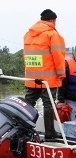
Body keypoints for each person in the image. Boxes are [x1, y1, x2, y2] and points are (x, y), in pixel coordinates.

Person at [23, 9, 66, 139]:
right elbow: (58, 56)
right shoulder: (52, 34)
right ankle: (50, 133)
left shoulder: (28, 34)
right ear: (52, 20)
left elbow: (25, 56)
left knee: (28, 102)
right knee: (49, 104)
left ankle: (23, 129)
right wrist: (61, 74)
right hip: (49, 79)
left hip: (32, 78)